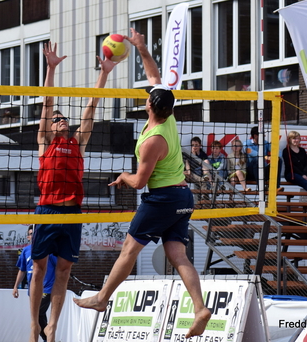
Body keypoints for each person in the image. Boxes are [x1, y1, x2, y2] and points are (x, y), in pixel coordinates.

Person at [73, 27, 211, 339]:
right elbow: (154, 76)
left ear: (150, 106)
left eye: (150, 97)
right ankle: (200, 307)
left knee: (128, 248)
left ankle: (101, 298)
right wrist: (140, 48)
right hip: (182, 198)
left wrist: (123, 176)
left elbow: (139, 183)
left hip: (162, 199)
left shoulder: (153, 141)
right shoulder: (168, 117)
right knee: (178, 256)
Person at [31, 41, 118, 342]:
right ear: (49, 126)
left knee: (64, 271)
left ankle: (52, 326)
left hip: (71, 212)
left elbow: (91, 107)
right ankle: (33, 325)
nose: (60, 119)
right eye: (55, 119)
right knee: (39, 269)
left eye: (62, 117)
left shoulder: (77, 142)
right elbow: (46, 102)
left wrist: (104, 74)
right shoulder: (44, 141)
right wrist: (51, 68)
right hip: (46, 209)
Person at [13, 225, 57, 342]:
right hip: (32, 290)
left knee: (38, 314)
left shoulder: (49, 250)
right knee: (39, 316)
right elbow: (22, 270)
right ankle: (48, 338)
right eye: (31, 234)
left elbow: (59, 268)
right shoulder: (26, 251)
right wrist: (15, 286)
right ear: (28, 237)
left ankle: (46, 338)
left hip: (46, 288)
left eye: (36, 233)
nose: (34, 235)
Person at [244, 126, 283, 191]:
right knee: (257, 160)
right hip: (251, 172)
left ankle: (276, 187)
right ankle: (261, 188)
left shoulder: (265, 143)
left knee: (279, 161)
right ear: (255, 136)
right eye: (263, 134)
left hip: (263, 171)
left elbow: (276, 150)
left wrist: (276, 157)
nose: (264, 136)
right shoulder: (247, 143)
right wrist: (265, 157)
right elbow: (250, 152)